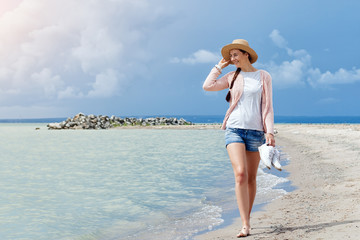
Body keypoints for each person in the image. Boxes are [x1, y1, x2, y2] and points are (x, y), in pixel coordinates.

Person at [202, 39, 275, 238]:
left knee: (251, 178)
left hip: (256, 132)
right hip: (234, 129)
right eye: (230, 55)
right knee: (241, 175)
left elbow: (267, 107)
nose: (232, 58)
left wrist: (269, 131)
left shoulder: (263, 76)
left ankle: (247, 218)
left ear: (246, 54)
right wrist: (218, 67)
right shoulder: (232, 75)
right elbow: (208, 86)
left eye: (235, 55)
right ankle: (245, 225)